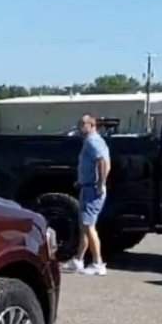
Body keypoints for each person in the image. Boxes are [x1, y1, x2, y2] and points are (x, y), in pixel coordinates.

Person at [63, 114, 111, 275]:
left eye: (83, 123)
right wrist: (82, 181)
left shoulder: (92, 141)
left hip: (92, 190)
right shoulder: (94, 141)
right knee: (84, 226)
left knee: (89, 226)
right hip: (87, 187)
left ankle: (98, 263)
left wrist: (100, 183)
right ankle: (78, 260)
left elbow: (103, 161)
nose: (80, 126)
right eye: (80, 123)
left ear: (92, 125)